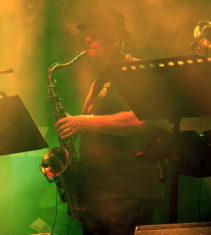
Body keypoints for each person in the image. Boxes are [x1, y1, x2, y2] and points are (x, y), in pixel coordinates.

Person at [55, 9, 163, 235]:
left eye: (94, 35)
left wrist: (85, 122)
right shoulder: (100, 77)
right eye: (86, 34)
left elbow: (138, 120)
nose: (86, 40)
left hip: (126, 190)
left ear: (115, 39)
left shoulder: (136, 70)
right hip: (98, 193)